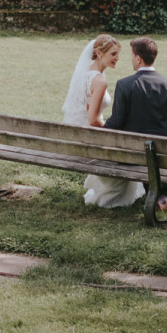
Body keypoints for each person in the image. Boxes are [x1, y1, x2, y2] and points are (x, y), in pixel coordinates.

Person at [62, 35, 143, 208]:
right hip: (91, 138)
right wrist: (112, 131)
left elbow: (87, 109)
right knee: (127, 148)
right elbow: (92, 120)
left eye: (118, 54)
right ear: (99, 53)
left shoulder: (86, 73)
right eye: (113, 54)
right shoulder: (99, 81)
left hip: (79, 135)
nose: (117, 58)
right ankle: (111, 197)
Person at [104, 36, 167, 212]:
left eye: (132, 56)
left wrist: (101, 134)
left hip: (130, 153)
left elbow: (116, 121)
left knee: (148, 158)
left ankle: (156, 196)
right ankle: (163, 199)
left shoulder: (124, 85)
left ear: (138, 58)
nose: (131, 59)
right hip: (163, 151)